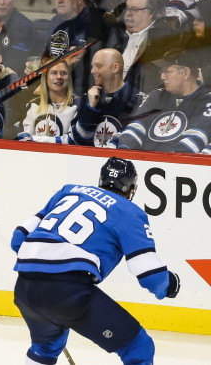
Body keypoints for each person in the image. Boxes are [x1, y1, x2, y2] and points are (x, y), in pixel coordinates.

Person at [11, 156, 181, 364]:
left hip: (25, 288)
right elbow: (150, 275)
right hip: (68, 292)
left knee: (46, 347)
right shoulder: (129, 211)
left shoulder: (69, 191)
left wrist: (41, 267)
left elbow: (18, 238)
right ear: (131, 189)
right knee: (139, 348)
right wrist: (169, 286)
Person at [116, 48, 211, 153]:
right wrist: (124, 153)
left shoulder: (207, 101)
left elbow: (195, 139)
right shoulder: (157, 96)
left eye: (167, 71)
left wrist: (166, 164)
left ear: (185, 73)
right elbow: (135, 127)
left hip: (176, 166)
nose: (162, 76)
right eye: (162, 71)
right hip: (140, 162)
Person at [45, 0, 109, 98]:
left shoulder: (94, 21)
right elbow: (49, 56)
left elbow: (72, 59)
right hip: (57, 89)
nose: (59, 0)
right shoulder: (55, 21)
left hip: (82, 94)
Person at [106, 0, 177, 94]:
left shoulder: (164, 37)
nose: (128, 13)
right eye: (127, 8)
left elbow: (152, 79)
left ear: (151, 13)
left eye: (135, 9)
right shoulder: (116, 34)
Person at [71, 49, 144, 147]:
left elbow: (131, 142)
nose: (92, 71)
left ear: (115, 67)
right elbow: (77, 140)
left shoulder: (138, 100)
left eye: (98, 66)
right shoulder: (88, 98)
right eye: (92, 66)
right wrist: (90, 108)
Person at [16, 60, 78, 144]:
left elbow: (73, 140)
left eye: (63, 73)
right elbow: (24, 138)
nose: (59, 77)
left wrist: (35, 139)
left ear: (69, 77)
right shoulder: (33, 105)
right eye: (54, 73)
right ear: (46, 77)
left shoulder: (77, 106)